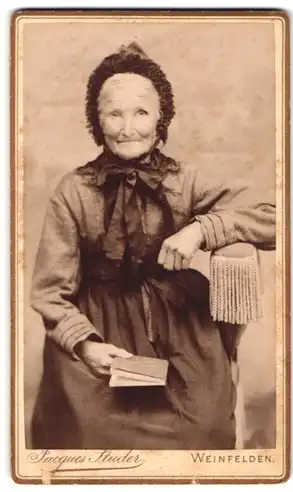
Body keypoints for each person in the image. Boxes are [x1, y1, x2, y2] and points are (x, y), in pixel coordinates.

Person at [30, 42, 276, 450]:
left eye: (141, 112)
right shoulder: (74, 190)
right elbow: (49, 291)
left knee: (200, 428)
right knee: (89, 432)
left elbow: (276, 216)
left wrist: (201, 229)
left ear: (162, 118)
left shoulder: (185, 180)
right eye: (114, 113)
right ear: (98, 120)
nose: (128, 127)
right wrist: (85, 344)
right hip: (100, 327)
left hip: (178, 325)